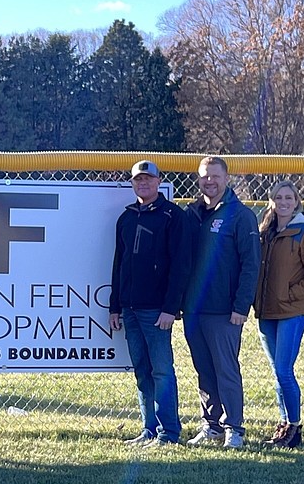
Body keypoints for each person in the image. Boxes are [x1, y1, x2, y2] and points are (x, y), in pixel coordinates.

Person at [109, 160, 191, 447]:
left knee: (162, 370)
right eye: (138, 180)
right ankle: (149, 428)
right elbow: (119, 264)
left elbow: (181, 265)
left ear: (159, 182)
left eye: (148, 179)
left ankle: (169, 432)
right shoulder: (127, 217)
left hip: (157, 310)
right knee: (142, 370)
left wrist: (171, 307)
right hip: (129, 308)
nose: (143, 184)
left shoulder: (172, 216)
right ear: (132, 184)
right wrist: (114, 306)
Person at [182, 156, 260, 449]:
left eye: (215, 176)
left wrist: (241, 306)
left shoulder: (240, 215)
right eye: (204, 176)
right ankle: (211, 425)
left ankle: (234, 428)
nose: (209, 181)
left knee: (226, 369)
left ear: (227, 179)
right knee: (204, 369)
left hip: (225, 311)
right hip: (193, 309)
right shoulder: (192, 213)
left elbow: (251, 264)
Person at [253, 181, 304, 449]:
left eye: (289, 197)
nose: (284, 202)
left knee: (284, 370)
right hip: (266, 312)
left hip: (291, 311)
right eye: (278, 197)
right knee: (277, 372)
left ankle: (295, 427)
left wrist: (293, 293)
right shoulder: (266, 232)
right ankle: (283, 424)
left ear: (297, 201)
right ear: (271, 202)